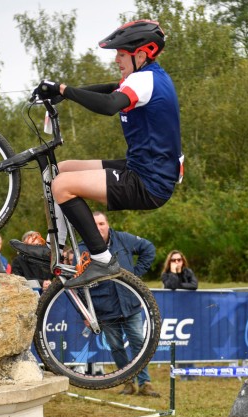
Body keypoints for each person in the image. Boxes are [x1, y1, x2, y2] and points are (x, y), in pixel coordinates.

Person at [12, 20, 182, 289]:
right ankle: (53, 247)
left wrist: (64, 90)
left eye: (121, 54)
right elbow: (110, 88)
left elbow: (109, 105)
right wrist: (62, 93)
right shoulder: (148, 77)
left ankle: (101, 259)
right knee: (63, 169)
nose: (116, 59)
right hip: (142, 168)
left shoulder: (145, 81)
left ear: (141, 54)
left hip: (148, 183)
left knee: (62, 186)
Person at [84, 212, 160, 397]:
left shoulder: (123, 239)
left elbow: (148, 249)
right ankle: (127, 382)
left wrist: (134, 275)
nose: (99, 227)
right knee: (116, 346)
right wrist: (86, 313)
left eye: (102, 223)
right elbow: (80, 284)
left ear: (107, 224)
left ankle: (145, 383)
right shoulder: (82, 248)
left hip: (130, 302)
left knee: (138, 343)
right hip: (104, 307)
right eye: (94, 224)